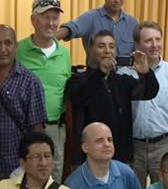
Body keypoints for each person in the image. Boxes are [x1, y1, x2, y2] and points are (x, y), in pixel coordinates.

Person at [66, 30, 158, 165]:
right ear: (91, 50)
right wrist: (100, 73)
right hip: (89, 157)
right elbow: (79, 96)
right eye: (101, 46)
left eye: (111, 46)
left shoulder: (123, 80)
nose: (107, 51)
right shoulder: (78, 79)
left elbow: (148, 93)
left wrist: (146, 73)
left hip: (121, 154)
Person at [122, 22, 168, 187]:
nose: (155, 45)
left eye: (158, 39)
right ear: (137, 44)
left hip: (165, 146)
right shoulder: (125, 74)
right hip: (134, 148)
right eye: (148, 41)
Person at [16, 0, 72, 182]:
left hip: (54, 128)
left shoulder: (65, 53)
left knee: (53, 178)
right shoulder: (18, 50)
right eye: (45, 17)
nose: (51, 23)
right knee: (24, 178)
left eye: (55, 18)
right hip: (25, 128)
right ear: (33, 20)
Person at [0, 24, 47, 181]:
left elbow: (37, 131)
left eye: (8, 43)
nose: (3, 49)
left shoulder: (30, 82)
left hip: (17, 166)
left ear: (16, 46)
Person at [58, 0, 139, 58]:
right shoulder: (91, 17)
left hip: (126, 70)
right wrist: (48, 40)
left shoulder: (133, 24)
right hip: (96, 70)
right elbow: (71, 28)